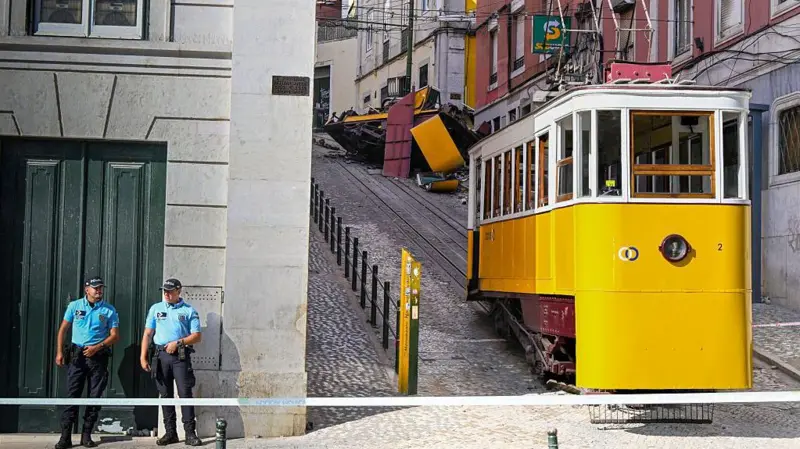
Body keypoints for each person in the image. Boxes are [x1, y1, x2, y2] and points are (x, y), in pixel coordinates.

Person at [55, 277, 120, 449]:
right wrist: (60, 352)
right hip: (78, 356)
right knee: (72, 396)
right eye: (95, 288)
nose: (98, 291)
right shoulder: (74, 306)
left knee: (94, 397)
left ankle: (86, 435)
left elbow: (114, 335)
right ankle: (65, 437)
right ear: (87, 289)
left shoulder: (109, 310)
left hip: (98, 357)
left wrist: (98, 347)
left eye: (100, 288)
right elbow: (63, 329)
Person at [139, 278, 202, 446]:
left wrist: (178, 342)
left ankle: (190, 433)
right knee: (165, 395)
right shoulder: (156, 308)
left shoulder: (189, 310)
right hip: (160, 357)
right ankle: (170, 433)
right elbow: (147, 334)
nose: (166, 294)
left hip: (180, 357)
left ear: (179, 291)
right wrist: (143, 356)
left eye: (170, 291)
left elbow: (197, 336)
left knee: (185, 394)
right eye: (164, 291)